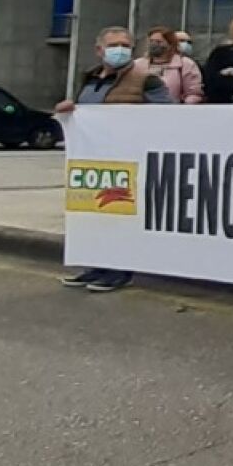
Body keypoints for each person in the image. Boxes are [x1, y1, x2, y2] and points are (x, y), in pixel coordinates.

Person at [57, 26, 172, 293]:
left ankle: (120, 271)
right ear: (99, 50)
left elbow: (167, 116)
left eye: (125, 45)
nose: (120, 50)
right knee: (95, 214)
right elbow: (85, 110)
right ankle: (96, 265)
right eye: (113, 45)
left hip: (127, 160)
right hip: (94, 161)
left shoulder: (147, 80)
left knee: (121, 215)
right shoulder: (89, 78)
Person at [135, 26, 204, 104]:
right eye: (151, 41)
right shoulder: (137, 64)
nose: (154, 45)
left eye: (158, 42)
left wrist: (183, 107)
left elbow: (194, 93)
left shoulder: (185, 64)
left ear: (170, 44)